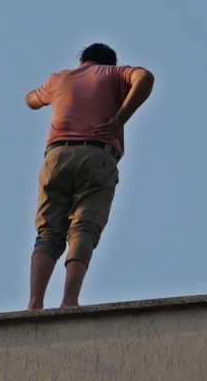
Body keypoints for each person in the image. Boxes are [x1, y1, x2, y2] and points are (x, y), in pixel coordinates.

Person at [25, 43, 154, 309]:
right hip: (96, 155)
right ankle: (69, 300)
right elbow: (145, 77)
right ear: (110, 63)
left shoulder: (60, 78)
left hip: (57, 157)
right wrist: (120, 119)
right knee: (83, 227)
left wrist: (38, 95)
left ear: (82, 60)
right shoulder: (114, 74)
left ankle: (34, 303)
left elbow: (31, 101)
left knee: (48, 233)